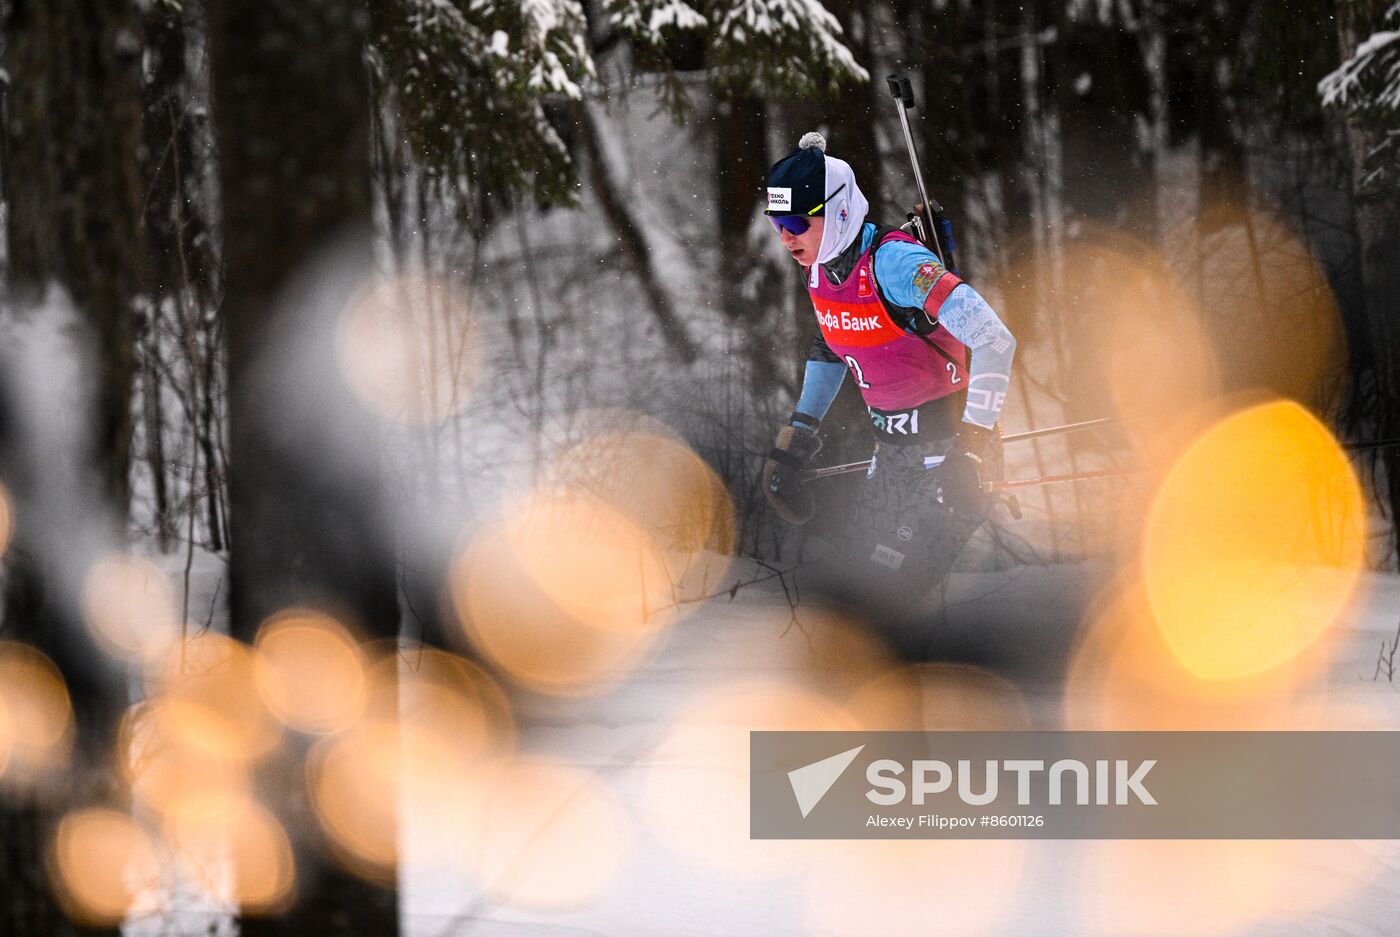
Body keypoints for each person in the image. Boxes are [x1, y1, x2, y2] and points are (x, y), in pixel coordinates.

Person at [760, 132, 1017, 601]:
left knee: (889, 601)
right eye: (777, 220)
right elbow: (831, 343)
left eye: (796, 219)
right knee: (859, 594)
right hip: (893, 455)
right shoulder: (819, 266)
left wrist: (972, 450)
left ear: (838, 210)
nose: (785, 236)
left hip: (952, 456)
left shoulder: (896, 264)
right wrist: (795, 440)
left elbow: (996, 341)